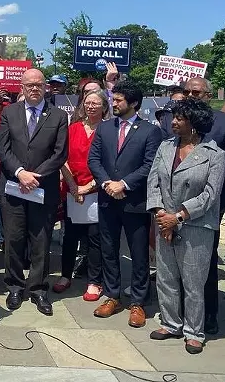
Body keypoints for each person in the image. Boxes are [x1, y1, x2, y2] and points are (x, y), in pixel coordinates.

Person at [146, 98, 225, 354]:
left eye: (180, 118)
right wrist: (161, 214)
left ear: (194, 123)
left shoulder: (215, 154)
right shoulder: (164, 147)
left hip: (196, 226)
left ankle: (194, 331)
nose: (174, 121)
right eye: (174, 117)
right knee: (166, 276)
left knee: (193, 283)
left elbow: (210, 195)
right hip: (163, 222)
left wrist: (178, 217)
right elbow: (153, 182)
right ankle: (171, 323)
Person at [89, 80, 163, 328]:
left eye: (119, 100)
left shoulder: (149, 131)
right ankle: (112, 295)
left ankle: (139, 302)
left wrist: (124, 184)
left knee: (139, 252)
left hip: (135, 201)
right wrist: (107, 183)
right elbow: (94, 159)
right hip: (108, 199)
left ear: (134, 104)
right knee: (109, 250)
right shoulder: (105, 128)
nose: (114, 103)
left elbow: (150, 164)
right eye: (114, 98)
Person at [0, 69, 69, 315]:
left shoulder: (58, 116)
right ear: (22, 87)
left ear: (46, 87)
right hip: (14, 187)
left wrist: (34, 176)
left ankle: (38, 289)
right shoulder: (9, 113)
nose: (35, 89)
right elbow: (2, 147)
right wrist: (20, 173)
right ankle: (15, 286)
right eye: (30, 85)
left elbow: (59, 153)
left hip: (42, 187)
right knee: (14, 239)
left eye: (39, 84)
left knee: (41, 241)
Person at [181, 77, 225, 336]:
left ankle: (208, 314)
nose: (191, 95)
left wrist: (207, 184)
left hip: (210, 202)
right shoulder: (174, 120)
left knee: (204, 259)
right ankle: (181, 311)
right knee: (178, 258)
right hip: (177, 203)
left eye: (196, 92)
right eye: (187, 92)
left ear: (207, 95)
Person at [55, 89, 108, 301]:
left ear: (104, 107)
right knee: (70, 237)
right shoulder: (73, 128)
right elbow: (62, 158)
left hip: (97, 191)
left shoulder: (108, 130)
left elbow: (108, 164)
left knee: (95, 238)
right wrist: (73, 186)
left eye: (96, 103)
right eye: (87, 102)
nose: (91, 106)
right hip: (72, 190)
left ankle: (94, 281)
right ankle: (65, 275)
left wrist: (88, 188)